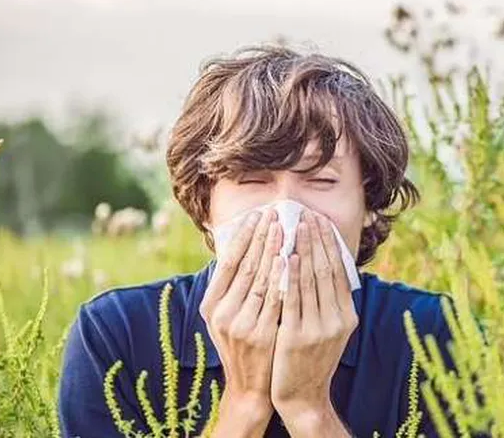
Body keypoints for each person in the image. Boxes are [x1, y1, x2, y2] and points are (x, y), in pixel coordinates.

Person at [58, 46, 475, 437]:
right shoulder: (118, 336)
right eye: (253, 180)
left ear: (368, 203)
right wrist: (245, 404)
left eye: (322, 180)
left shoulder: (431, 335)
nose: (286, 210)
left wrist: (310, 410)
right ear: (205, 203)